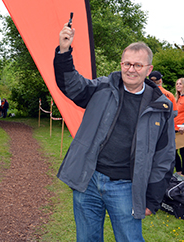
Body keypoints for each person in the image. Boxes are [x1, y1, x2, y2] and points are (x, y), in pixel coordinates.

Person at [53, 22, 176, 242]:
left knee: (130, 239)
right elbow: (71, 85)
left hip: (127, 187)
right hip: (88, 181)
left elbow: (164, 157)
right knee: (86, 239)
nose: (131, 69)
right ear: (121, 64)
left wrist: (153, 198)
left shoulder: (162, 107)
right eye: (127, 63)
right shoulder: (101, 88)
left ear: (149, 69)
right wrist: (64, 52)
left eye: (138, 65)